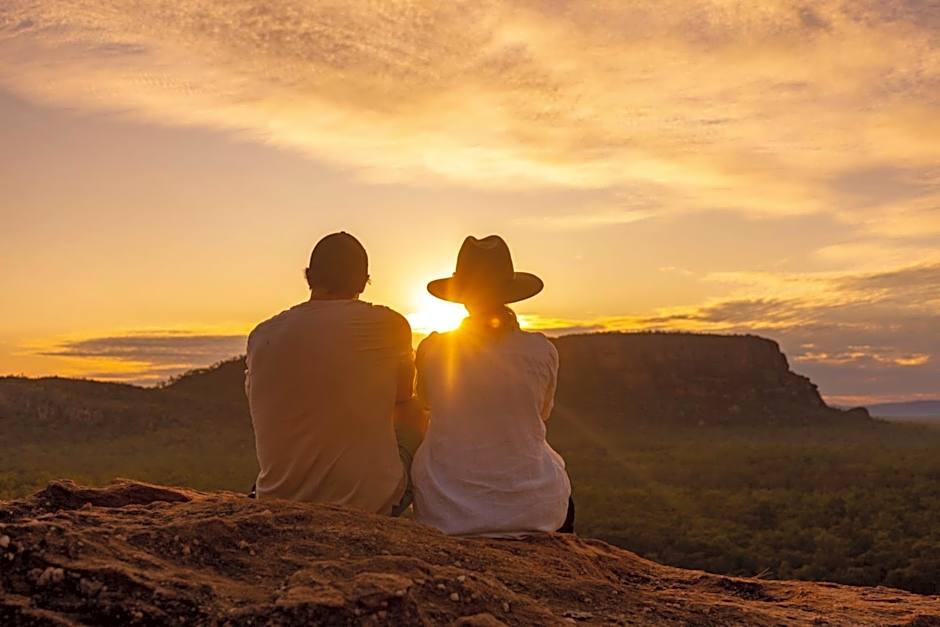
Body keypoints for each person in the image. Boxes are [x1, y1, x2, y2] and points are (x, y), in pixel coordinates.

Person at [245, 232, 426, 516]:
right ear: (364, 282)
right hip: (367, 505)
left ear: (309, 276)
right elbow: (403, 399)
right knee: (418, 409)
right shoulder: (388, 325)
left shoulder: (262, 334)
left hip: (277, 497)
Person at [411, 235, 573, 536]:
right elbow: (542, 413)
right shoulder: (541, 350)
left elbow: (426, 403)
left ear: (463, 296)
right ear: (509, 294)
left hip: (447, 508)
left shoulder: (433, 349)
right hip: (534, 507)